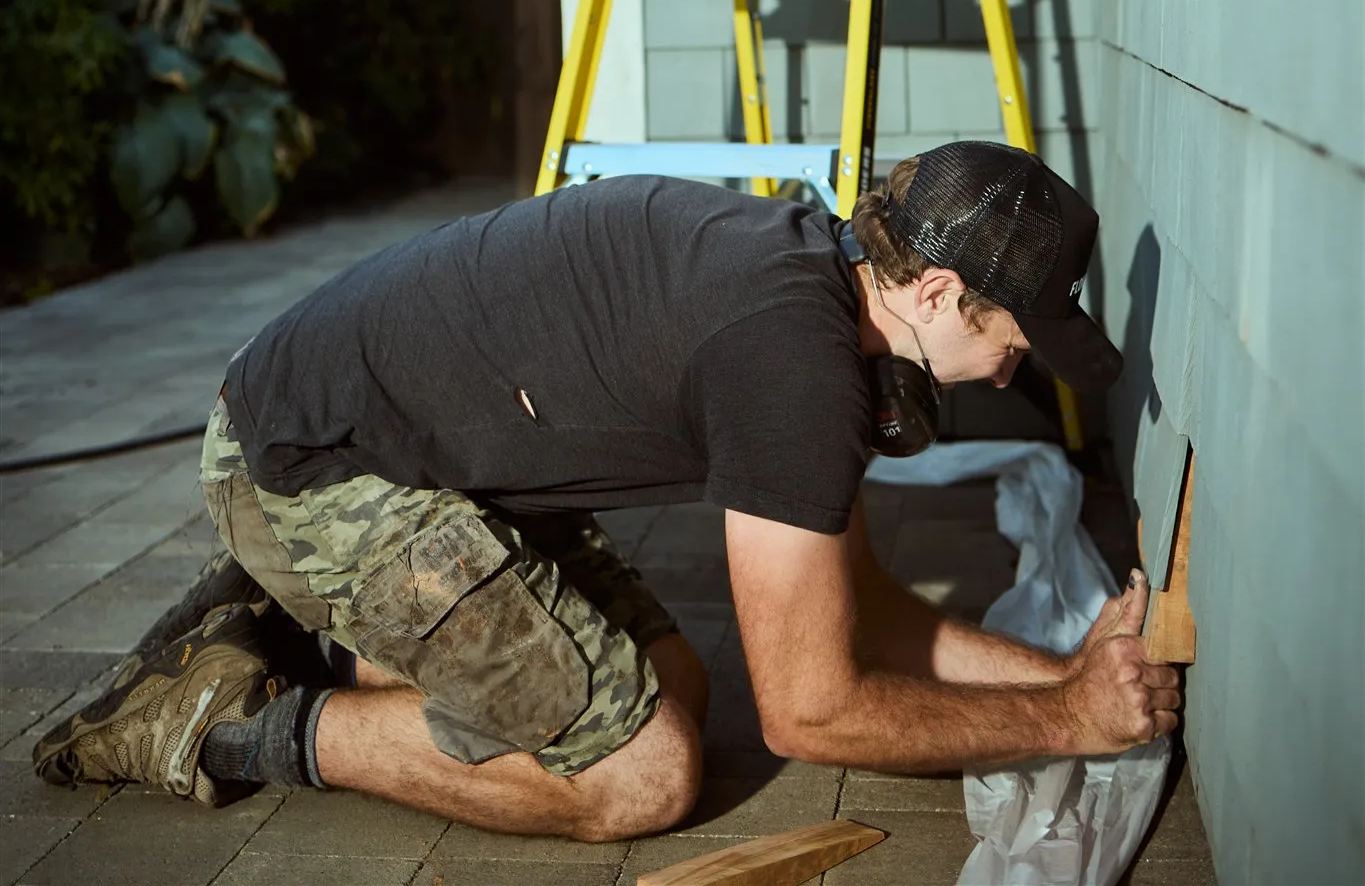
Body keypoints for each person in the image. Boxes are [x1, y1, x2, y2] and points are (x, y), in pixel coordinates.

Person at [35, 143, 1180, 836]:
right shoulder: (792, 367)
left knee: (673, 684)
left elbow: (862, 609)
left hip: (372, 426)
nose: (1025, 360)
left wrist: (1075, 674)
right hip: (308, 458)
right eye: (1023, 334)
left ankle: (312, 630)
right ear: (935, 288)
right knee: (643, 774)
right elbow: (811, 708)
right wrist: (1063, 719)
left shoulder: (813, 283)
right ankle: (234, 723)